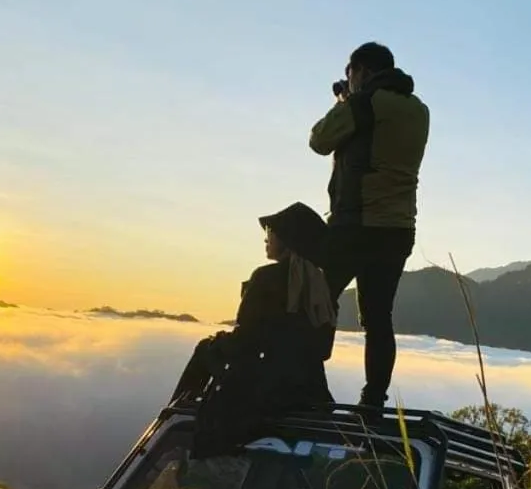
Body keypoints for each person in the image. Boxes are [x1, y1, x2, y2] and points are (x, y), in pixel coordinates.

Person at [309, 42, 430, 411]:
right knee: (379, 319)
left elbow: (319, 140)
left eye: (350, 74)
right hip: (397, 229)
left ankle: (307, 384)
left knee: (317, 300)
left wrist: (344, 102)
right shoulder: (418, 109)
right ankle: (373, 401)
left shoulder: (364, 104)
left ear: (360, 71)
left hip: (356, 224)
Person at [170, 202, 336, 456]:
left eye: (271, 232)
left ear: (288, 240)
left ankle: (178, 433)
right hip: (306, 389)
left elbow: (245, 341)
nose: (266, 239)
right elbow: (322, 351)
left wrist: (219, 342)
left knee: (205, 348)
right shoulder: (322, 289)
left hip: (263, 389)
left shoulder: (266, 277)